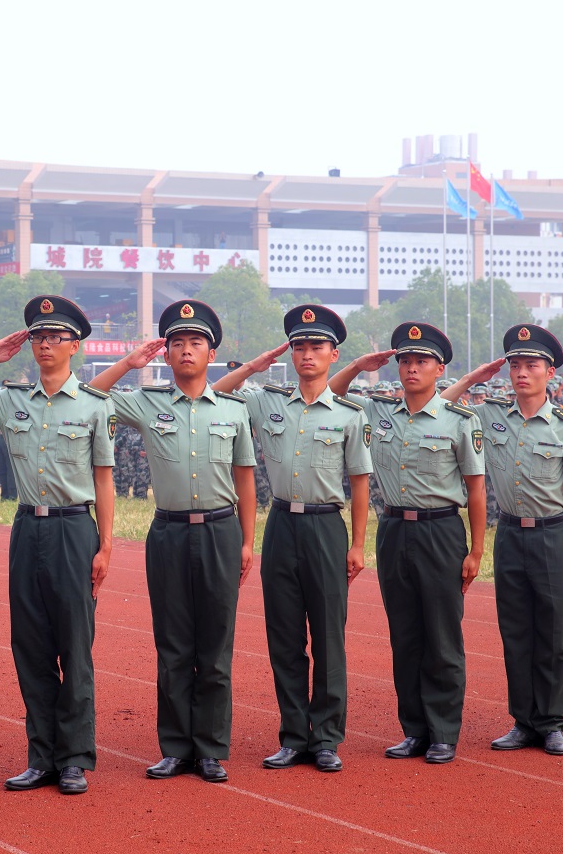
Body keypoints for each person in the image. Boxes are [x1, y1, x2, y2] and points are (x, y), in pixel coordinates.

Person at [0, 295, 115, 796]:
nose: (45, 344)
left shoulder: (94, 405)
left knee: (74, 647)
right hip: (27, 530)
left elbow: (104, 479)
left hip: (74, 529)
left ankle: (74, 759)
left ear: (74, 346)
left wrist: (106, 546)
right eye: (38, 336)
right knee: (31, 646)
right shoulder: (10, 400)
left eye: (55, 337)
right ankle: (42, 757)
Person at [91, 300, 257, 783]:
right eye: (177, 343)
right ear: (165, 354)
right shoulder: (148, 404)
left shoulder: (233, 410)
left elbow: (245, 478)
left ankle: (210, 748)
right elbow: (88, 395)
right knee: (173, 644)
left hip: (221, 531)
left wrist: (248, 541)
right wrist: (129, 363)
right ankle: (176, 747)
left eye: (196, 343)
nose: (186, 350)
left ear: (211, 354)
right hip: (168, 532)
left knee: (215, 646)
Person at [216, 304, 372, 773]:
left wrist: (358, 544)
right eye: (299, 346)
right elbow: (215, 393)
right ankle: (293, 735)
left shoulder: (349, 414)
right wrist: (255, 365)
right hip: (281, 525)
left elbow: (360, 482)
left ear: (333, 354)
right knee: (284, 637)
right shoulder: (268, 402)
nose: (307, 354)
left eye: (316, 347)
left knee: (328, 638)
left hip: (326, 527)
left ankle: (325, 738)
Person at [327, 322, 483, 765]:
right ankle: (414, 730)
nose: (412, 368)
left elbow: (476, 489)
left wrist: (476, 550)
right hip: (394, 530)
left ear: (440, 369)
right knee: (406, 634)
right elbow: (331, 395)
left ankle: (443, 732)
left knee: (442, 635)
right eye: (405, 361)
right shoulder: (377, 413)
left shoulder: (459, 421)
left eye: (422, 361)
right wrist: (359, 365)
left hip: (440, 531)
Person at [444, 324, 563, 756]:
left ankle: (552, 722)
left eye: (532, 365)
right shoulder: (489, 416)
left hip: (551, 534)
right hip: (509, 534)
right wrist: (474, 378)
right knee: (516, 632)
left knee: (552, 633)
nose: (522, 373)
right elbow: (439, 405)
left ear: (550, 373)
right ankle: (523, 721)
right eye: (516, 365)